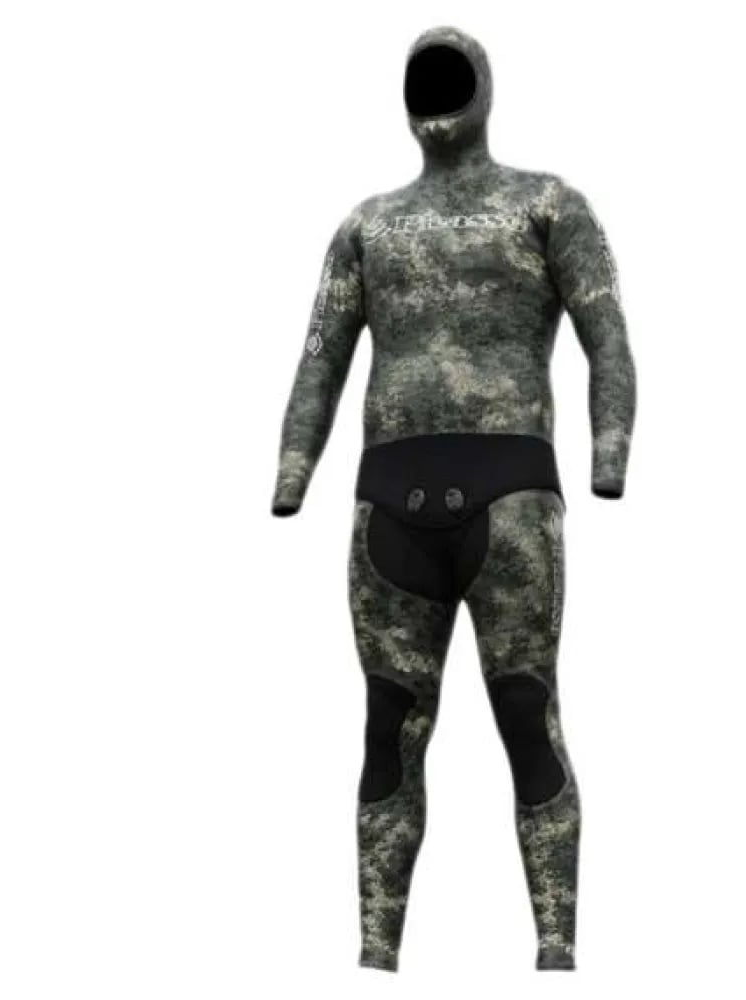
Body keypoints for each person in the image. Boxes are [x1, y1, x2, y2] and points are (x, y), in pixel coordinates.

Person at [271, 24, 637, 971]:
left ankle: (556, 955)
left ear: (483, 88)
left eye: (450, 79)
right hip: (388, 504)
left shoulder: (548, 204)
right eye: (422, 82)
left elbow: (607, 337)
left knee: (527, 715)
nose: (437, 96)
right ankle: (374, 959)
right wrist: (293, 468)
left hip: (510, 498)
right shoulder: (365, 225)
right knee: (388, 730)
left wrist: (609, 453)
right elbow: (320, 358)